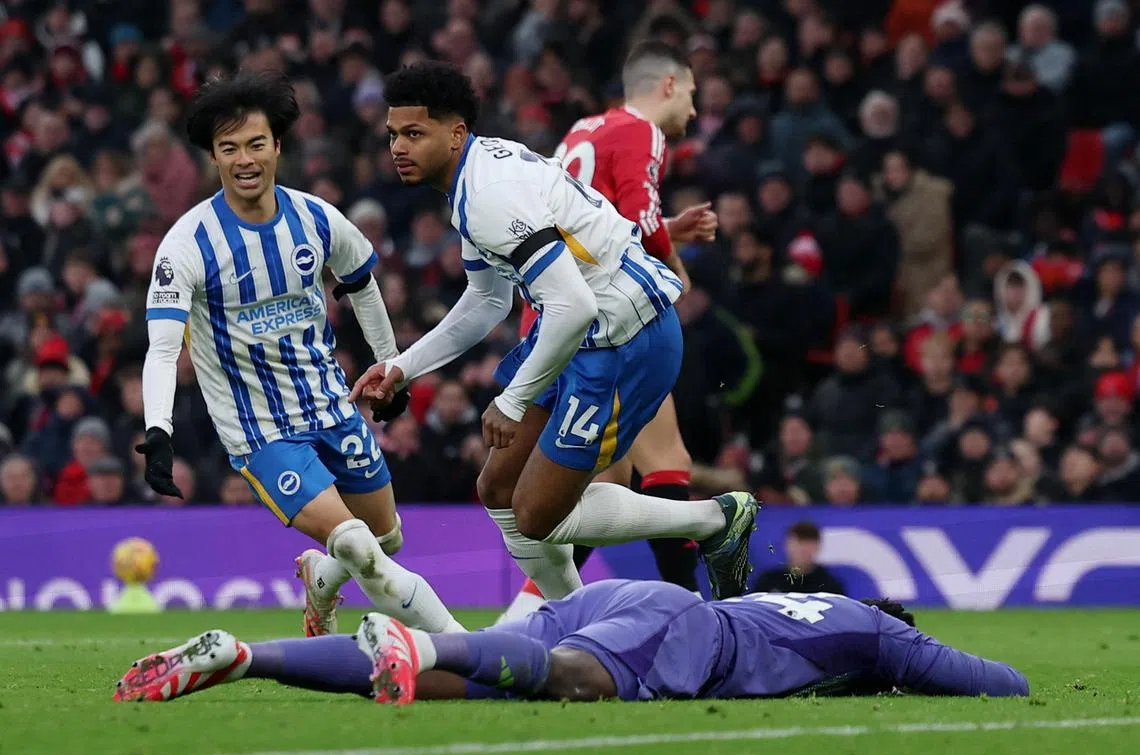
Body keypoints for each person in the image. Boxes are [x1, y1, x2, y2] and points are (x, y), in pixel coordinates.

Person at [351, 61, 758, 602]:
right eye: (394, 135)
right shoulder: (471, 183)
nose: (398, 147)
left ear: (456, 134)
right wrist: (403, 367)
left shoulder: (489, 193)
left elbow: (575, 304)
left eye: (413, 133)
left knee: (537, 513)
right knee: (496, 488)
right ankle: (572, 622)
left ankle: (714, 518)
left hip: (625, 339)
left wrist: (514, 400)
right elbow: (487, 300)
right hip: (576, 332)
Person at [136, 70, 463, 638]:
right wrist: (158, 429)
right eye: (229, 148)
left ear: (278, 146)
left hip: (333, 408)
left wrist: (391, 368)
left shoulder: (316, 217)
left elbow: (361, 283)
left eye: (256, 144)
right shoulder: (187, 243)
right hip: (261, 431)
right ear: (213, 156)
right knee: (362, 547)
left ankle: (319, 580)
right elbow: (163, 347)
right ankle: (470, 653)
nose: (245, 159)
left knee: (386, 538)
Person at [503, 41, 718, 616]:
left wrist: (669, 227)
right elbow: (640, 224)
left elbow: (595, 222)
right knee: (644, 466)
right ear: (668, 85)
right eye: (692, 94)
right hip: (609, 317)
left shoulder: (583, 129)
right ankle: (689, 606)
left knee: (620, 474)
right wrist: (672, 262)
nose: (693, 112)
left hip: (556, 308)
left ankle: (536, 612)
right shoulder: (643, 132)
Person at [112, 580, 1029, 704]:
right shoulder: (875, 630)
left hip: (617, 595)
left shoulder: (799, 601)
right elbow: (1000, 681)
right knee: (581, 685)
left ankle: (245, 656)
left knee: (450, 683)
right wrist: (903, 660)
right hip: (680, 626)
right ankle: (421, 643)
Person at [751, 521, 845, 595]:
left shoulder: (829, 585)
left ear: (818, 547)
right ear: (787, 545)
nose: (802, 548)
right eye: (798, 542)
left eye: (809, 543)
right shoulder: (769, 580)